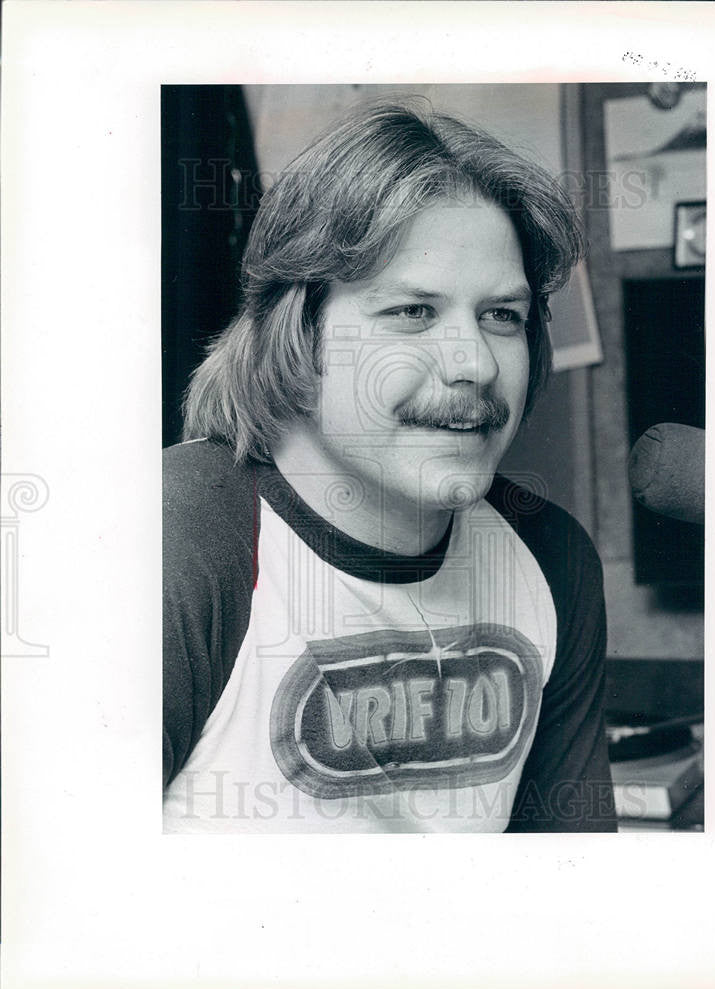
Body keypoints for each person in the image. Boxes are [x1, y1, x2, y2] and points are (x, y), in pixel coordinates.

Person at [162, 99, 617, 833]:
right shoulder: (175, 538)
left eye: (501, 315)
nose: (472, 363)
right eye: (411, 312)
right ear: (299, 334)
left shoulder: (550, 558)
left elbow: (567, 906)